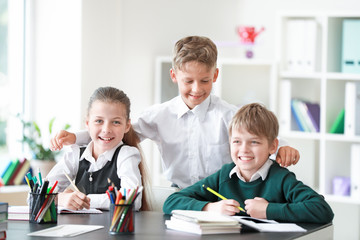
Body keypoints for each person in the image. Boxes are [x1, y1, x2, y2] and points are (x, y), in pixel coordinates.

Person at [49, 36, 299, 189]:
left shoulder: (227, 115)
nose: (196, 89)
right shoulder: (160, 115)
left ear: (215, 75)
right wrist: (76, 138)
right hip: (178, 192)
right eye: (188, 81)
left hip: (223, 192)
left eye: (204, 81)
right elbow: (118, 131)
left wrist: (282, 147)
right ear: (174, 76)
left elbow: (258, 134)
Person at [163, 103, 334, 224]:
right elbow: (171, 202)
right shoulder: (224, 176)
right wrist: (210, 208)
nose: (244, 150)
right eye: (237, 141)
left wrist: (268, 210)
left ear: (273, 146)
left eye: (254, 142)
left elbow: (322, 210)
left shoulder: (281, 178)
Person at [46, 87, 151, 211]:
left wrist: (85, 199)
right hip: (80, 229)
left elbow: (132, 199)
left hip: (114, 229)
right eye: (99, 121)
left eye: (116, 122)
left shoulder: (126, 155)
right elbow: (37, 193)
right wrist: (60, 198)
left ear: (127, 126)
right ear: (87, 123)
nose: (106, 129)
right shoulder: (75, 155)